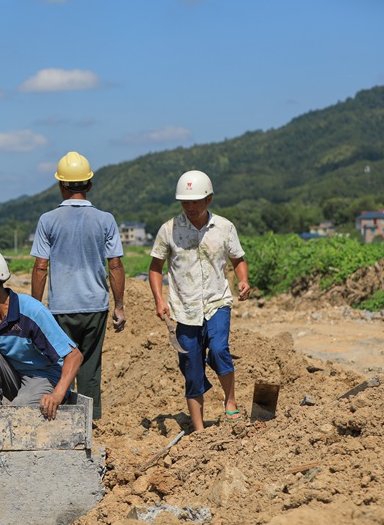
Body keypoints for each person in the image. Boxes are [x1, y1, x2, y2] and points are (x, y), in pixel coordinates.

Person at [148, 170, 251, 432]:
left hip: (217, 303)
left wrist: (243, 280)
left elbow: (238, 259)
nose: (190, 207)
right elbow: (155, 267)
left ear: (209, 199)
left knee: (219, 350)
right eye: (185, 202)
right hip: (184, 310)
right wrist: (160, 300)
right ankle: (199, 429)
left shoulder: (224, 228)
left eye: (195, 201)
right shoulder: (169, 230)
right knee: (191, 367)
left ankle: (230, 403)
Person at [30, 151, 126, 420]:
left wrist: (36, 309)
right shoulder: (105, 219)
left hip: (60, 308)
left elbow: (40, 267)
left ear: (60, 185)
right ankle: (89, 420)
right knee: (90, 367)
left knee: (60, 364)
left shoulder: (47, 220)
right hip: (95, 306)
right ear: (89, 184)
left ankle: (59, 416)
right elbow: (115, 266)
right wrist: (119, 306)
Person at [0, 246, 83, 421]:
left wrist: (57, 394)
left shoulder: (32, 312)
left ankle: (13, 413)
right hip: (15, 377)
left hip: (44, 378)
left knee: (20, 410)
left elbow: (74, 356)